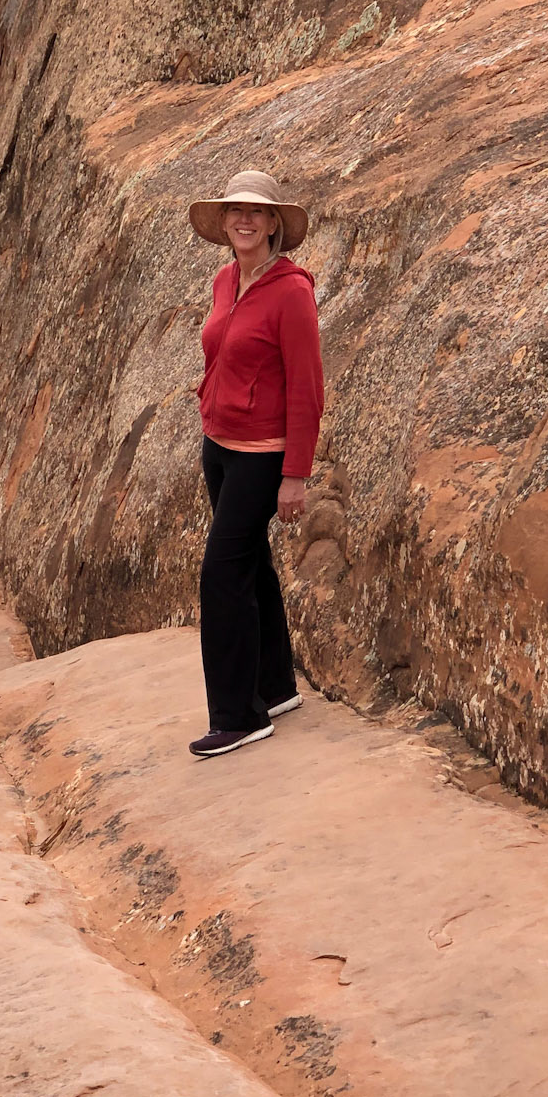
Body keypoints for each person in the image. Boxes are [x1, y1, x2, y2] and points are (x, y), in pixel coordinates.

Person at [186, 169, 323, 760]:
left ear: (273, 225)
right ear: (224, 223)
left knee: (222, 575)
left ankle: (240, 717)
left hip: (263, 457)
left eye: (257, 212)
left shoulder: (292, 293)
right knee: (252, 565)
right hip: (219, 445)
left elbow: (307, 388)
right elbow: (223, 351)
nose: (245, 219)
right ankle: (275, 687)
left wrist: (295, 473)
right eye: (235, 210)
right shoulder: (225, 281)